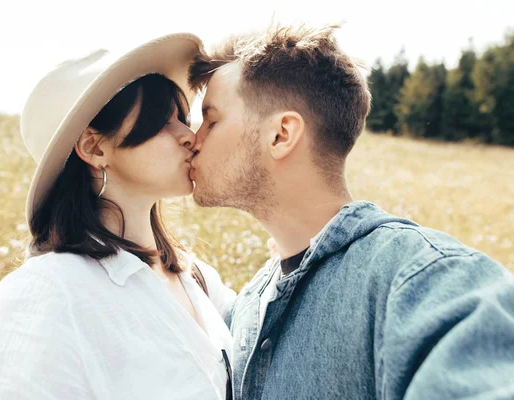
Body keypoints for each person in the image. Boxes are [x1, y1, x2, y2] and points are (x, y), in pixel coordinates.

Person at [188, 24, 514, 399]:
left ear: (280, 135)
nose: (193, 141)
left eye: (211, 120)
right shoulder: (246, 308)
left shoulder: (426, 281)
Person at [0, 33, 235, 400]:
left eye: (182, 118)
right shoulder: (42, 298)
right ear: (94, 147)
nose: (188, 136)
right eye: (161, 122)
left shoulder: (200, 280)